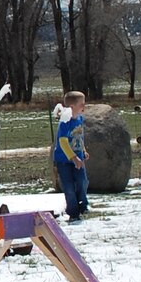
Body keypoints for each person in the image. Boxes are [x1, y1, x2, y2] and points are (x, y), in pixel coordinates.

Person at [54, 91, 91, 221]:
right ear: (72, 107)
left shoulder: (80, 119)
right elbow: (63, 142)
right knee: (68, 186)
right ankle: (73, 212)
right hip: (64, 160)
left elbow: (79, 137)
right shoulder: (65, 122)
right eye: (82, 104)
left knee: (82, 181)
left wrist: (83, 150)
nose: (84, 107)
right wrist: (73, 158)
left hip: (78, 157)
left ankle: (83, 205)